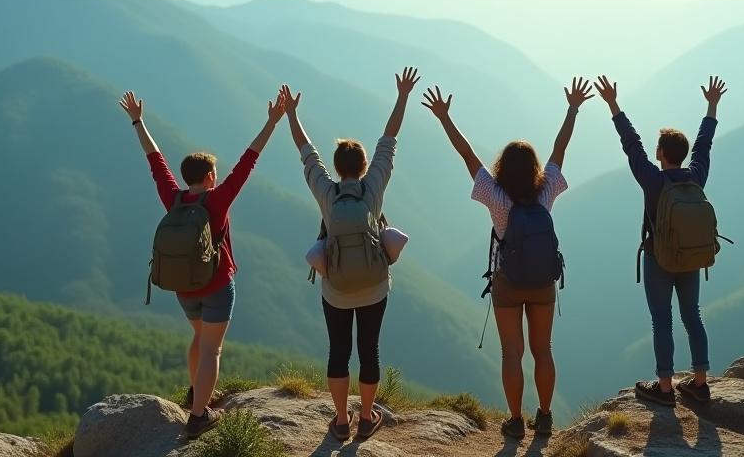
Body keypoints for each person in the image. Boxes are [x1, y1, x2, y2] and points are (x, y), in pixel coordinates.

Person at [421, 78, 593, 439]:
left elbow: (468, 156)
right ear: (533, 169)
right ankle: (544, 416)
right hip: (543, 281)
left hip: (507, 282)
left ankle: (515, 421)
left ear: (503, 167)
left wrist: (444, 117)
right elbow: (560, 150)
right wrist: (573, 109)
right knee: (543, 351)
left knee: (511, 354)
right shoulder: (546, 191)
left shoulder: (495, 196)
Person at [118, 90, 286, 438]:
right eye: (215, 173)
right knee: (213, 347)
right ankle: (199, 416)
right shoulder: (218, 200)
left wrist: (138, 121)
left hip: (183, 286)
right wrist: (271, 122)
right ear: (210, 177)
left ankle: (197, 390)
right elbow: (249, 160)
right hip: (218, 285)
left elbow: (155, 160)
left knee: (199, 337)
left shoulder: (173, 198)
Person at [280, 67, 421, 442]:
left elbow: (306, 152)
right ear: (363, 166)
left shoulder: (326, 193)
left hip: (337, 289)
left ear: (336, 168)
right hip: (374, 285)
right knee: (369, 350)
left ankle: (342, 420)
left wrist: (291, 113)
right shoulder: (373, 188)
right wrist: (402, 96)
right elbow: (389, 139)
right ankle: (367, 417)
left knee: (338, 351)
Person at [593, 75, 727, 406]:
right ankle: (700, 382)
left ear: (661, 153)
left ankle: (665, 388)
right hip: (691, 257)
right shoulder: (695, 176)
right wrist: (712, 106)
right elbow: (704, 145)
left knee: (662, 321)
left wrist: (613, 104)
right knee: (692, 315)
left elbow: (631, 144)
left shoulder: (653, 180)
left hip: (659, 259)